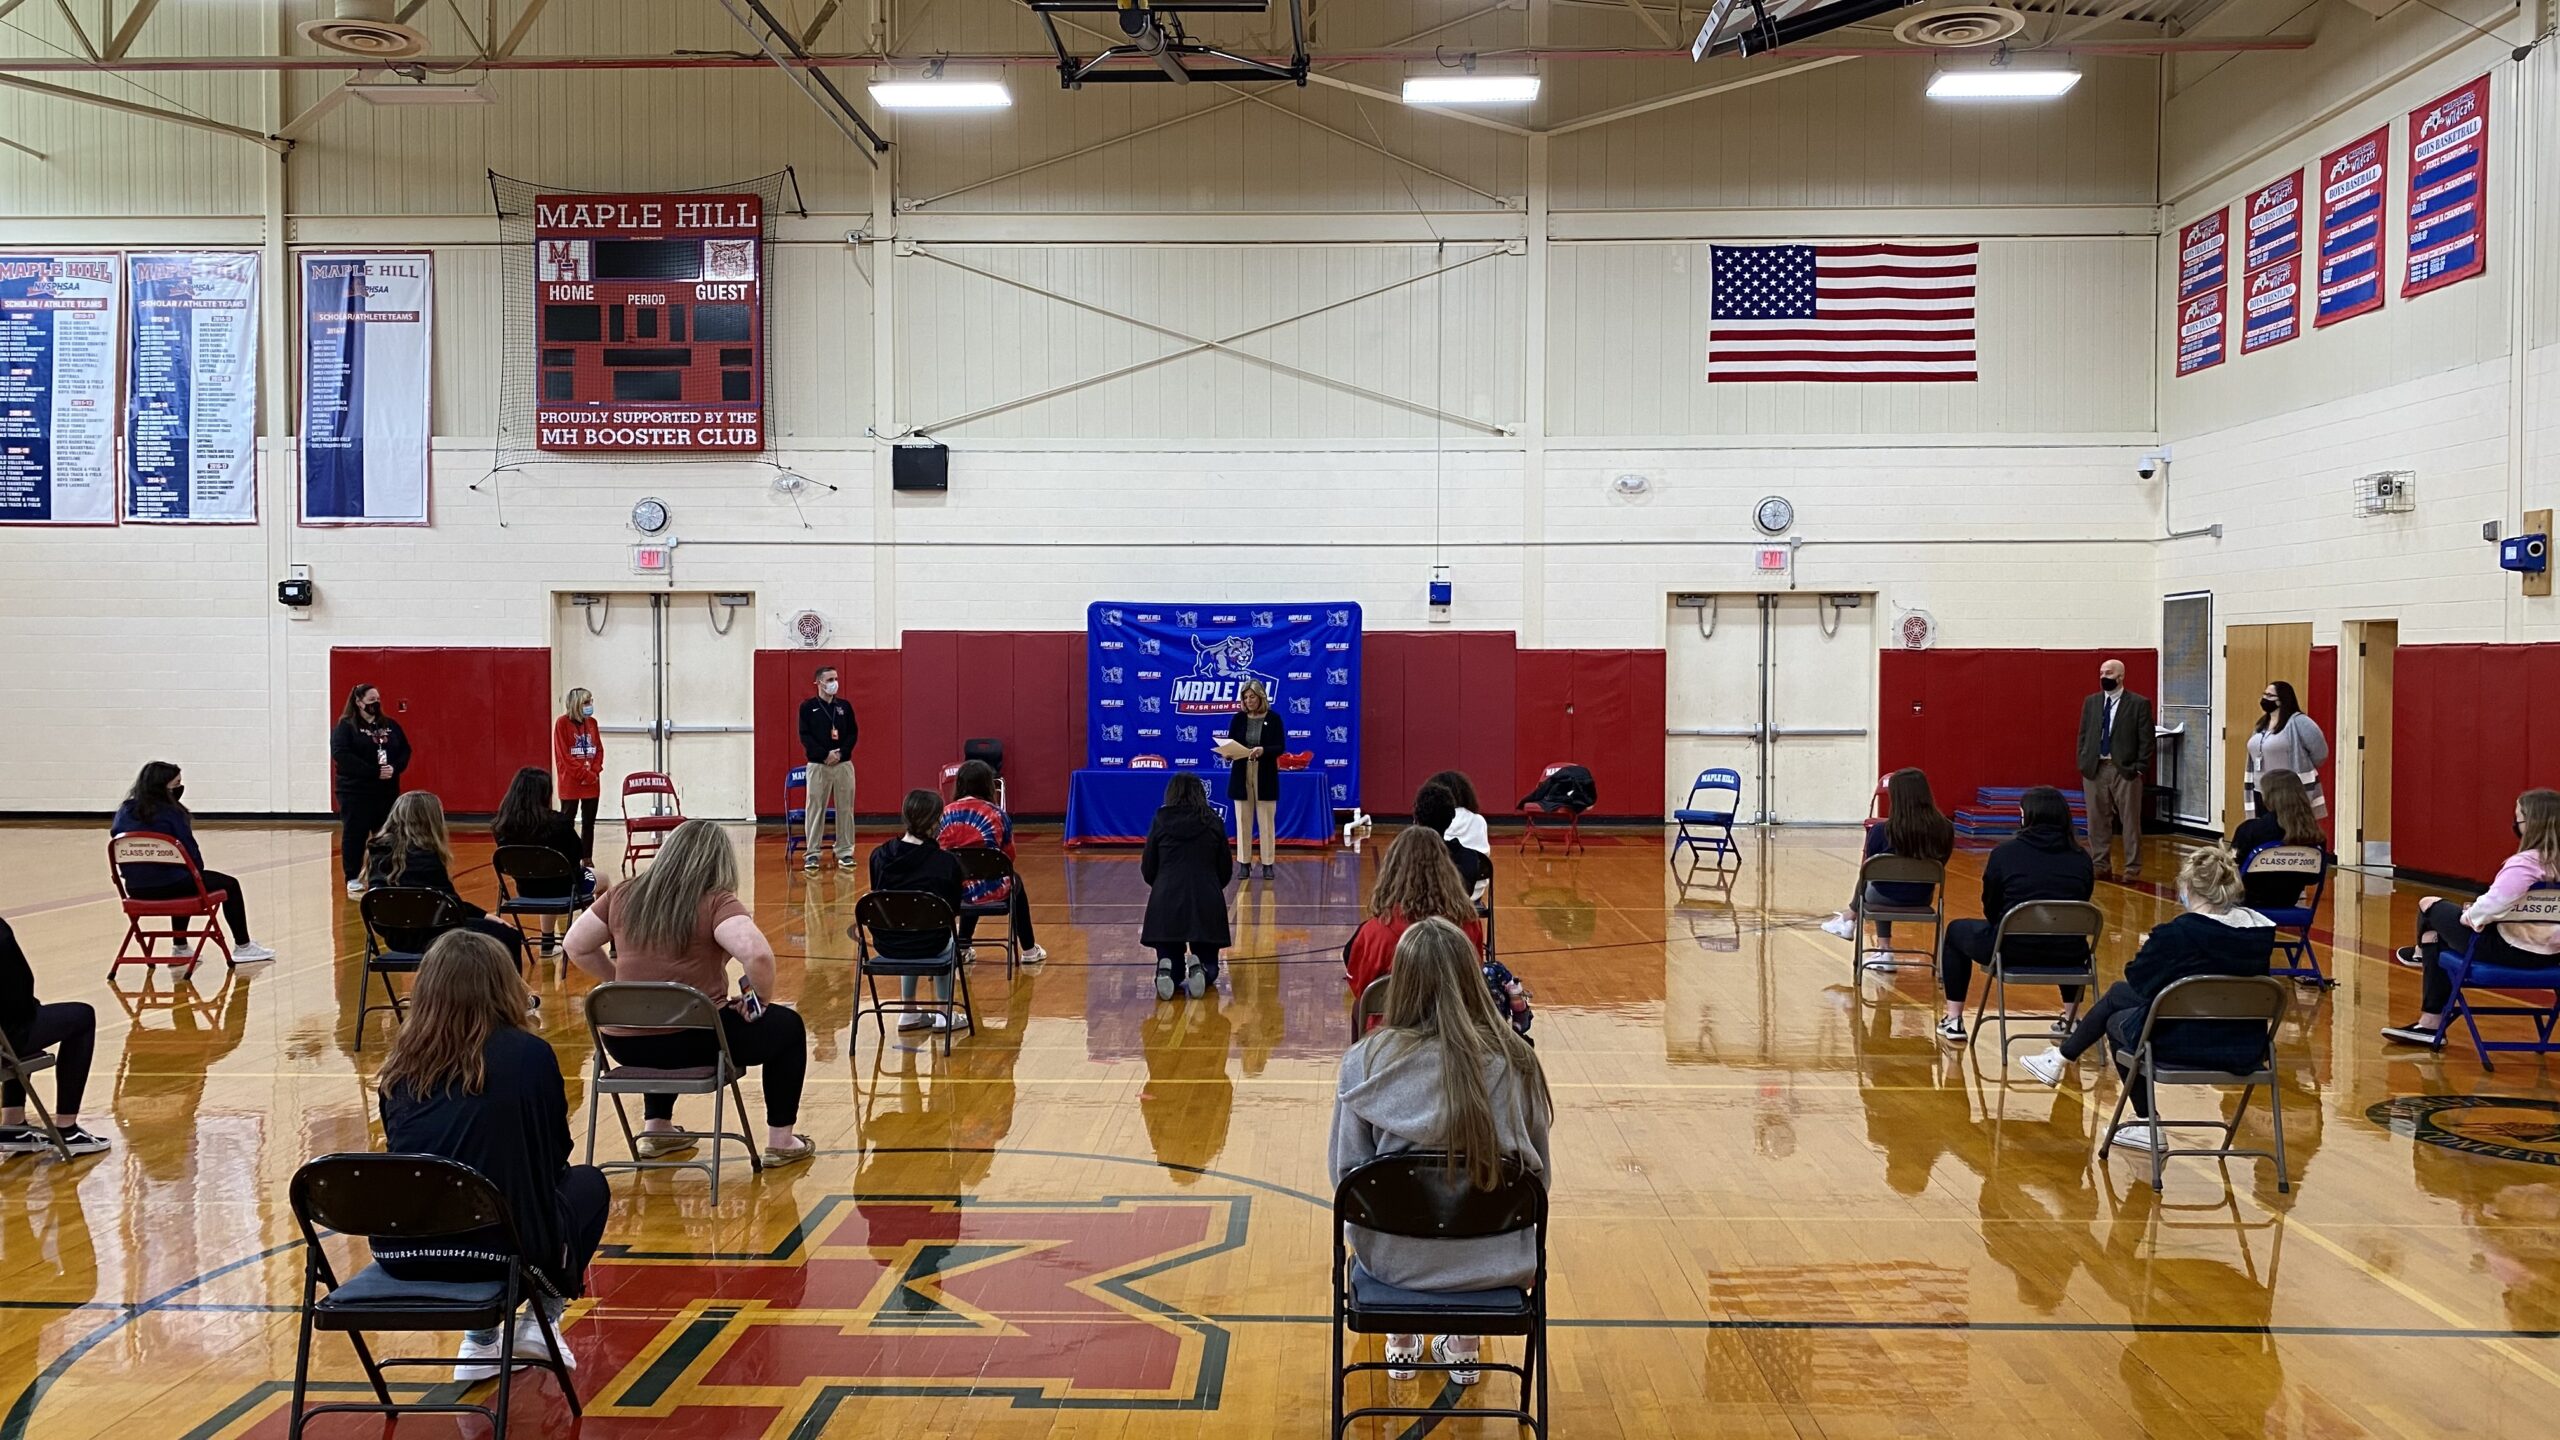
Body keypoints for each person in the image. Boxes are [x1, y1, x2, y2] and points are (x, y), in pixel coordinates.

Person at [371, 931, 609, 1382]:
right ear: (504, 986)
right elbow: (555, 1156)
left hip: (402, 1251)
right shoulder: (529, 1055)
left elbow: (411, 1160)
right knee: (584, 1185)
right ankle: (540, 1322)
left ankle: (479, 1341)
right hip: (501, 1253)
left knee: (476, 1193)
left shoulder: (398, 1066)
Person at [1330, 917, 1552, 1387]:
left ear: (1400, 985)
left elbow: (1345, 1177)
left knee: (1389, 1202)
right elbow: (1539, 1183)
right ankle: (1465, 1343)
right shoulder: (1518, 1061)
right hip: (1496, 1263)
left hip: (1392, 1260)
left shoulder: (1364, 1065)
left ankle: (1402, 1336)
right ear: (1472, 980)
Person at [564, 819, 813, 1164]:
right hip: (692, 1040)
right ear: (718, 863)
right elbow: (756, 955)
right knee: (787, 1028)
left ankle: (657, 1128)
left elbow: (574, 944)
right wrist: (759, 1000)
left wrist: (619, 987)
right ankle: (782, 1141)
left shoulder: (622, 893)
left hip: (623, 1044)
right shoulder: (714, 901)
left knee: (655, 1014)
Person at [2015, 846, 2275, 1152]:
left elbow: (2139, 978)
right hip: (2244, 1045)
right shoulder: (2259, 933)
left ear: (2188, 887)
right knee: (2119, 995)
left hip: (2183, 1044)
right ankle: (2060, 1059)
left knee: (2116, 1019)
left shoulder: (2179, 933)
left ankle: (2145, 1122)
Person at [2381, 789, 2560, 1048]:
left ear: (2531, 824)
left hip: (2509, 952)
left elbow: (2488, 909)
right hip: (2553, 956)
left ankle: (2421, 967)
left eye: (2518, 819)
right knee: (2436, 937)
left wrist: (2468, 915)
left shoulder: (2525, 864)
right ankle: (2427, 1021)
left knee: (2430, 906)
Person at [1934, 785, 2094, 1044]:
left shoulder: (2004, 854)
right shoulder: (2082, 858)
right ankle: (2072, 1019)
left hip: (2011, 949)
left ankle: (1954, 1020)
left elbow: (1991, 905)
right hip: (2068, 953)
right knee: (2066, 929)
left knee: (1955, 931)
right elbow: (2081, 902)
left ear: (2026, 816)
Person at [109, 760, 276, 963]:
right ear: (164, 787)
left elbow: (116, 837)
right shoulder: (172, 813)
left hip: (137, 889)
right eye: (177, 783)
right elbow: (191, 857)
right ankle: (243, 946)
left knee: (179, 878)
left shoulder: (124, 811)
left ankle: (180, 948)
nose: (180, 787)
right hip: (174, 884)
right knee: (226, 884)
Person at [364, 791, 528, 971]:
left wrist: (483, 915)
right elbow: (451, 908)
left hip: (396, 938)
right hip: (434, 934)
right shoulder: (425, 856)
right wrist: (484, 916)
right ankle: (510, 997)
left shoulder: (376, 852)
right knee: (509, 936)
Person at [1822, 768, 1954, 962]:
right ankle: (1851, 922)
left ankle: (1864, 931)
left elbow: (1871, 871)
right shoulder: (1946, 828)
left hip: (1882, 896)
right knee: (1881, 877)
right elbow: (1942, 862)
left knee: (1873, 876)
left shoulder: (1881, 830)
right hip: (1922, 897)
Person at [0, 917, 106, 1156]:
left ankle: (13, 1123)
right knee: (80, 1017)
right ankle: (67, 1129)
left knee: (19, 1022)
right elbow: (18, 995)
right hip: (8, 1039)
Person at [868, 790, 970, 1033]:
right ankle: (944, 1014)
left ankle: (909, 1011)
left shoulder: (879, 856)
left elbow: (878, 899)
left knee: (908, 925)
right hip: (931, 943)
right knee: (944, 934)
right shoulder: (945, 863)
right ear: (935, 822)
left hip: (887, 943)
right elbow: (953, 910)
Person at [1345, 825, 1486, 1000]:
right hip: (1455, 1024)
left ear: (1393, 870)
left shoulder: (1375, 932)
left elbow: (1362, 990)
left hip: (1393, 1024)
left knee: (1361, 1008)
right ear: (1447, 868)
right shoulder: (1469, 923)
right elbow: (1475, 978)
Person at [937, 759, 1047, 966]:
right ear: (988, 784)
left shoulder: (945, 813)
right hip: (991, 887)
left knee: (969, 878)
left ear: (959, 784)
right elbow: (1008, 857)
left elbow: (939, 854)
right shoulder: (998, 814)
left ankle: (962, 946)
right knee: (1015, 882)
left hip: (954, 891)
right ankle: (1030, 949)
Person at [1143, 773, 1233, 1000]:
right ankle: (1201, 969)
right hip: (1206, 899)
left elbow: (1148, 867)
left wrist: (1162, 884)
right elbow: (1225, 868)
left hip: (1165, 901)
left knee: (1170, 956)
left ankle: (1167, 971)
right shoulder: (1213, 820)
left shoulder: (1159, 819)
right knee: (1211, 965)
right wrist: (1212, 885)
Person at [491, 766, 597, 953]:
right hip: (565, 889)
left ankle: (547, 941)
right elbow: (577, 855)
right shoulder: (558, 822)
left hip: (526, 890)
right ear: (545, 794)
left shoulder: (501, 826)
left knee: (545, 879)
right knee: (605, 881)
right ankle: (596, 939)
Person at [2076, 659, 2155, 880]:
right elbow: (2083, 735)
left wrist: (2139, 768)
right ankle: (2100, 864)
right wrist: (2083, 762)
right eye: (2101, 672)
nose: (2103, 676)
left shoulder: (2138, 703)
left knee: (2130, 820)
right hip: (2095, 767)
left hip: (2125, 769)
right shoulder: (2091, 702)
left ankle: (2132, 868)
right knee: (2097, 820)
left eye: (2108, 673)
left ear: (2121, 676)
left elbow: (2146, 740)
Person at [333, 682, 412, 897]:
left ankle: (382, 874)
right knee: (355, 834)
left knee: (386, 834)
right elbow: (342, 755)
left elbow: (404, 750)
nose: (375, 704)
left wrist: (394, 768)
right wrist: (372, 771)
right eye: (370, 701)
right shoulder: (346, 727)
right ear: (358, 702)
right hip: (356, 792)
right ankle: (352, 876)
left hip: (386, 790)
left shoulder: (390, 725)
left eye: (377, 700)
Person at [2230, 769, 2326, 912]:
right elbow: (2312, 879)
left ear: (2268, 797)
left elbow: (2230, 870)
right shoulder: (2315, 837)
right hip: (2288, 900)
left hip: (2247, 902)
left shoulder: (2251, 830)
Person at [798, 665, 858, 873]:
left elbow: (852, 734)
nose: (834, 683)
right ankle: (812, 853)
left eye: (836, 678)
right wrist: (825, 754)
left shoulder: (844, 707)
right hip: (818, 765)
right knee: (815, 809)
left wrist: (841, 753)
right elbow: (805, 736)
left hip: (843, 765)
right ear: (819, 682)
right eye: (830, 679)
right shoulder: (807, 708)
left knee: (845, 809)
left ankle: (844, 851)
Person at [2245, 680, 2329, 818]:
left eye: (2270, 696)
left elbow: (2320, 754)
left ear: (2282, 700)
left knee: (2286, 832)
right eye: (2264, 694)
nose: (2265, 698)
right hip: (2260, 790)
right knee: (2264, 832)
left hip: (2287, 792)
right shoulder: (2261, 723)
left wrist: (2303, 764)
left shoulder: (2299, 722)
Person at [1226, 681, 1283, 879]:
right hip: (1242, 772)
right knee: (1243, 820)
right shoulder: (1238, 719)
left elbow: (1280, 747)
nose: (1249, 701)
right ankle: (1244, 862)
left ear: (1261, 697)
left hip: (1264, 773)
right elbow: (1231, 742)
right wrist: (1228, 753)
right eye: (1245, 697)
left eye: (1252, 697)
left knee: (1266, 821)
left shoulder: (1274, 719)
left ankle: (1267, 863)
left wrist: (1263, 750)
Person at [552, 687, 603, 862]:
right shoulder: (561, 723)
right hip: (571, 782)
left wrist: (594, 771)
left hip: (592, 781)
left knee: (589, 823)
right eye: (586, 702)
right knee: (567, 822)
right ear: (576, 704)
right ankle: (568, 857)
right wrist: (584, 775)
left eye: (591, 701)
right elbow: (564, 756)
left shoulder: (593, 723)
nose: (590, 705)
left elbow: (599, 750)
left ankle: (587, 857)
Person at [1425, 770, 1493, 859]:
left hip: (1442, 871)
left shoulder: (1433, 821)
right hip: (1474, 872)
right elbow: (1485, 855)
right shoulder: (1479, 820)